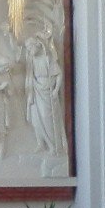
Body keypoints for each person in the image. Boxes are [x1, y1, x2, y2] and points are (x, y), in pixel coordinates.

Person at [24, 30, 68, 175]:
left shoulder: (47, 58)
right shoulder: (31, 60)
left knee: (47, 118)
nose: (29, 51)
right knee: (36, 118)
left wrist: (55, 90)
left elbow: (59, 74)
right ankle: (41, 143)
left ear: (37, 45)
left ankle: (55, 147)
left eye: (31, 47)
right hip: (36, 89)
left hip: (47, 90)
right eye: (28, 48)